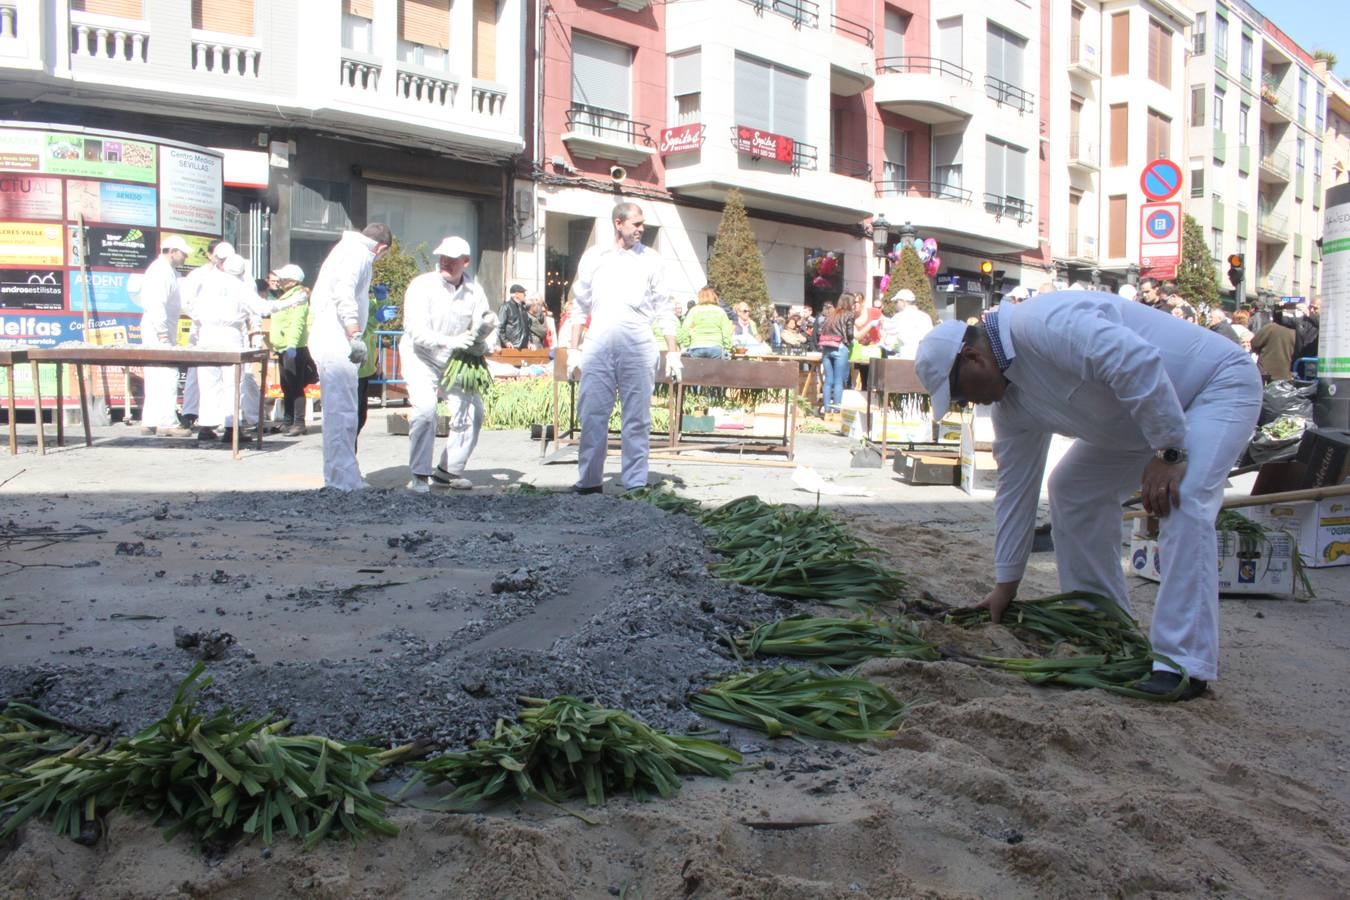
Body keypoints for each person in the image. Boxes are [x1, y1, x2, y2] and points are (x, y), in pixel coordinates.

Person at [913, 291, 1261, 700]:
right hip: (1139, 420)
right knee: (1072, 488)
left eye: (958, 393)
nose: (965, 403)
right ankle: (1102, 623)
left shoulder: (1042, 323)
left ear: (974, 358)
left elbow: (1134, 360)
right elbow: (1015, 490)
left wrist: (1169, 450)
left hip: (1213, 388)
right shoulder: (1011, 408)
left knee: (1181, 499)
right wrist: (1006, 584)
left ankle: (1183, 665)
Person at [567, 201, 681, 494]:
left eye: (642, 224)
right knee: (592, 412)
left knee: (637, 418)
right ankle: (589, 481)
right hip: (599, 342)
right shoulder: (595, 256)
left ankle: (635, 483)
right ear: (619, 223)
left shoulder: (651, 260)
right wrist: (574, 349)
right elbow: (579, 305)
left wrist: (673, 350)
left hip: (638, 341)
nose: (642, 229)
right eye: (637, 224)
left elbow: (664, 306)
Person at [400, 236, 494, 493]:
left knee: (472, 412)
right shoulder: (421, 286)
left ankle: (448, 470)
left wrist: (483, 344)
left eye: (452, 260)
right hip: (420, 356)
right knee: (425, 411)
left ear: (465, 262)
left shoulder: (475, 291)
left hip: (454, 361)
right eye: (442, 257)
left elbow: (486, 323)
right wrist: (452, 341)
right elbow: (415, 330)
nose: (445, 263)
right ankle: (419, 474)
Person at [308, 223, 393, 491]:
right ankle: (344, 480)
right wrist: (354, 332)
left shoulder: (345, 250)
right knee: (343, 413)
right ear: (381, 248)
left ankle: (339, 476)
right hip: (336, 338)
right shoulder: (359, 255)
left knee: (339, 412)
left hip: (329, 335)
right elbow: (344, 292)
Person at [194, 254, 307, 442]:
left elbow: (190, 305)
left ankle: (206, 426)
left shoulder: (207, 282)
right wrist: (292, 302)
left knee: (208, 381)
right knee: (232, 382)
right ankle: (231, 428)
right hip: (229, 334)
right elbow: (262, 308)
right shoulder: (239, 286)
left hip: (206, 334)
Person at [137, 236, 192, 436]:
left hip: (158, 327)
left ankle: (150, 419)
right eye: (183, 253)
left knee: (155, 374)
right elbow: (155, 303)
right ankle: (167, 421)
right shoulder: (161, 272)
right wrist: (162, 333)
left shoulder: (166, 271)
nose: (185, 256)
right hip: (158, 329)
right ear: (172, 251)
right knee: (168, 374)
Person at [177, 239, 232, 432]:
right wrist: (201, 318)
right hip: (202, 329)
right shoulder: (198, 275)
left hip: (226, 332)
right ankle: (190, 413)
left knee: (226, 377)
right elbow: (186, 301)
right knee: (198, 372)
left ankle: (224, 419)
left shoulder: (231, 273)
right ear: (210, 255)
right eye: (217, 256)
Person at [268, 264, 313, 436]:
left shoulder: (299, 297)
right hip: (283, 347)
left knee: (295, 386)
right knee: (286, 385)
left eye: (283, 278)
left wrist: (292, 344)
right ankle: (288, 421)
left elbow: (297, 322)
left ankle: (299, 423)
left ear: (293, 281)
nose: (280, 281)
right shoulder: (287, 296)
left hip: (293, 347)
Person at [678, 286, 734, 359]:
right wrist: (727, 348)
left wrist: (687, 345)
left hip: (696, 347)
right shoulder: (720, 311)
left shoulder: (694, 310)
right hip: (716, 347)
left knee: (697, 370)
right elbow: (726, 332)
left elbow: (685, 330)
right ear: (714, 297)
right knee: (715, 370)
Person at [816, 299, 852, 413]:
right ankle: (836, 411)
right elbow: (850, 333)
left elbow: (821, 330)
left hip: (826, 348)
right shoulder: (848, 314)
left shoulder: (832, 314)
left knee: (828, 381)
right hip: (839, 347)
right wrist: (849, 342)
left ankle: (826, 410)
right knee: (838, 381)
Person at [888, 288, 934, 361]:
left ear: (903, 302)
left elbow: (887, 335)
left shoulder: (899, 317)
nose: (896, 305)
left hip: (906, 357)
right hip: (923, 358)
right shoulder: (925, 316)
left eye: (897, 302)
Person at [1250, 314, 1296, 381]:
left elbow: (1254, 343)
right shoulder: (1295, 332)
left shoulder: (1271, 327)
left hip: (1266, 372)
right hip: (1285, 373)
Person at [497, 283, 530, 350]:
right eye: (523, 293)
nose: (525, 295)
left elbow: (527, 328)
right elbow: (500, 326)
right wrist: (506, 341)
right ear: (517, 294)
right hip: (511, 347)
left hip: (524, 348)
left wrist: (529, 342)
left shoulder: (523, 308)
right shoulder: (506, 307)